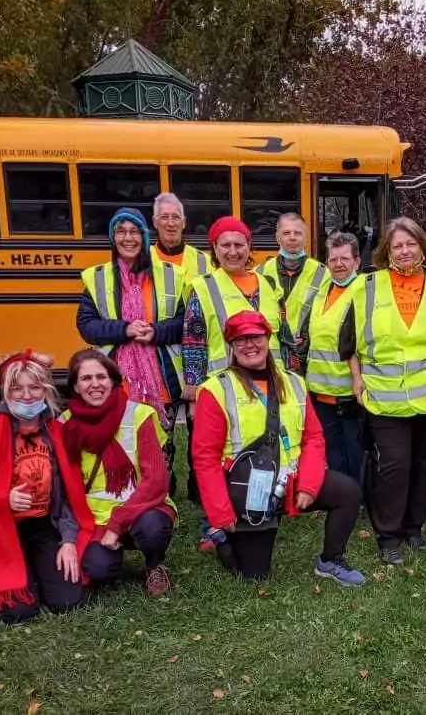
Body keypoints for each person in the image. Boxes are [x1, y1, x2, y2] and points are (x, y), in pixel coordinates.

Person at [192, 311, 366, 585]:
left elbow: (314, 438)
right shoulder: (216, 390)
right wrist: (221, 511)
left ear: (267, 339)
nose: (249, 345)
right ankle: (221, 536)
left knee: (348, 491)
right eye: (240, 341)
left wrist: (309, 485)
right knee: (254, 575)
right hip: (248, 488)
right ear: (232, 347)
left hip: (291, 480)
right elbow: (205, 458)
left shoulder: (294, 382)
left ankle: (331, 560)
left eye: (255, 337)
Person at [342, 216, 426, 565]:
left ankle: (414, 528)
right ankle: (389, 534)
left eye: (411, 243)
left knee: (424, 464)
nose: (405, 250)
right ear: (387, 251)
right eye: (398, 245)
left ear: (423, 247)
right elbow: (347, 339)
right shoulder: (367, 286)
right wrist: (356, 376)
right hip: (385, 395)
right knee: (395, 465)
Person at [0, 350, 92, 624]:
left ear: (45, 389)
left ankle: (37, 568)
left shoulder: (57, 432)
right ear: (5, 391)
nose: (27, 395)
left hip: (45, 527)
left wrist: (69, 541)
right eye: (17, 388)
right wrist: (2, 499)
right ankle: (25, 573)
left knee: (68, 601)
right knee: (20, 612)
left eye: (34, 387)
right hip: (2, 533)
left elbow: (71, 495)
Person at [181, 215, 284, 552]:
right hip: (222, 387)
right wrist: (194, 389)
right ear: (214, 249)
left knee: (263, 448)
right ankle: (213, 523)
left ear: (249, 247)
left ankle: (259, 509)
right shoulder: (204, 286)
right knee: (223, 454)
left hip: (268, 383)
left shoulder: (267, 284)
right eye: (225, 244)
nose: (233, 250)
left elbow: (281, 337)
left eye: (239, 244)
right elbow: (193, 340)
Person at [76, 207, 186, 491]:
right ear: (113, 237)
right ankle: (124, 496)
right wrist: (124, 329)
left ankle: (162, 501)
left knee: (162, 448)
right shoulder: (97, 278)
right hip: (116, 380)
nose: (128, 238)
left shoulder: (171, 275)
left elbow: (186, 322)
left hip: (162, 380)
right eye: (121, 231)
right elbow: (86, 325)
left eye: (134, 231)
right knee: (122, 442)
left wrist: (156, 332)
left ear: (145, 235)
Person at [61, 349, 176, 596]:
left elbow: (156, 481)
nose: (95, 385)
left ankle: (154, 564)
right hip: (95, 520)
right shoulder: (64, 424)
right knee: (99, 571)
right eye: (86, 378)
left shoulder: (139, 414)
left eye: (101, 377)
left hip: (142, 510)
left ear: (113, 380)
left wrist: (117, 524)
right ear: (76, 386)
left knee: (153, 528)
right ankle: (109, 557)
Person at [150, 192, 212, 502]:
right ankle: (163, 489)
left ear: (185, 221)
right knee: (161, 432)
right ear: (155, 222)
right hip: (156, 363)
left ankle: (200, 492)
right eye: (165, 217)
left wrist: (156, 331)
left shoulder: (202, 260)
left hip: (193, 358)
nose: (171, 222)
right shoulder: (142, 260)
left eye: (176, 216)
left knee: (201, 433)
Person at [305, 232, 365, 481]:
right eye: (333, 259)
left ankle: (361, 495)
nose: (338, 264)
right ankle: (344, 494)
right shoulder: (323, 290)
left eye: (344, 259)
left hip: (350, 390)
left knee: (356, 450)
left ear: (357, 262)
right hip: (321, 389)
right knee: (333, 449)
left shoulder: (363, 290)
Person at [257, 212, 329, 374]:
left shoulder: (323, 274)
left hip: (307, 358)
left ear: (306, 237)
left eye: (298, 233)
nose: (292, 237)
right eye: (286, 233)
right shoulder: (259, 273)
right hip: (270, 357)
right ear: (278, 238)